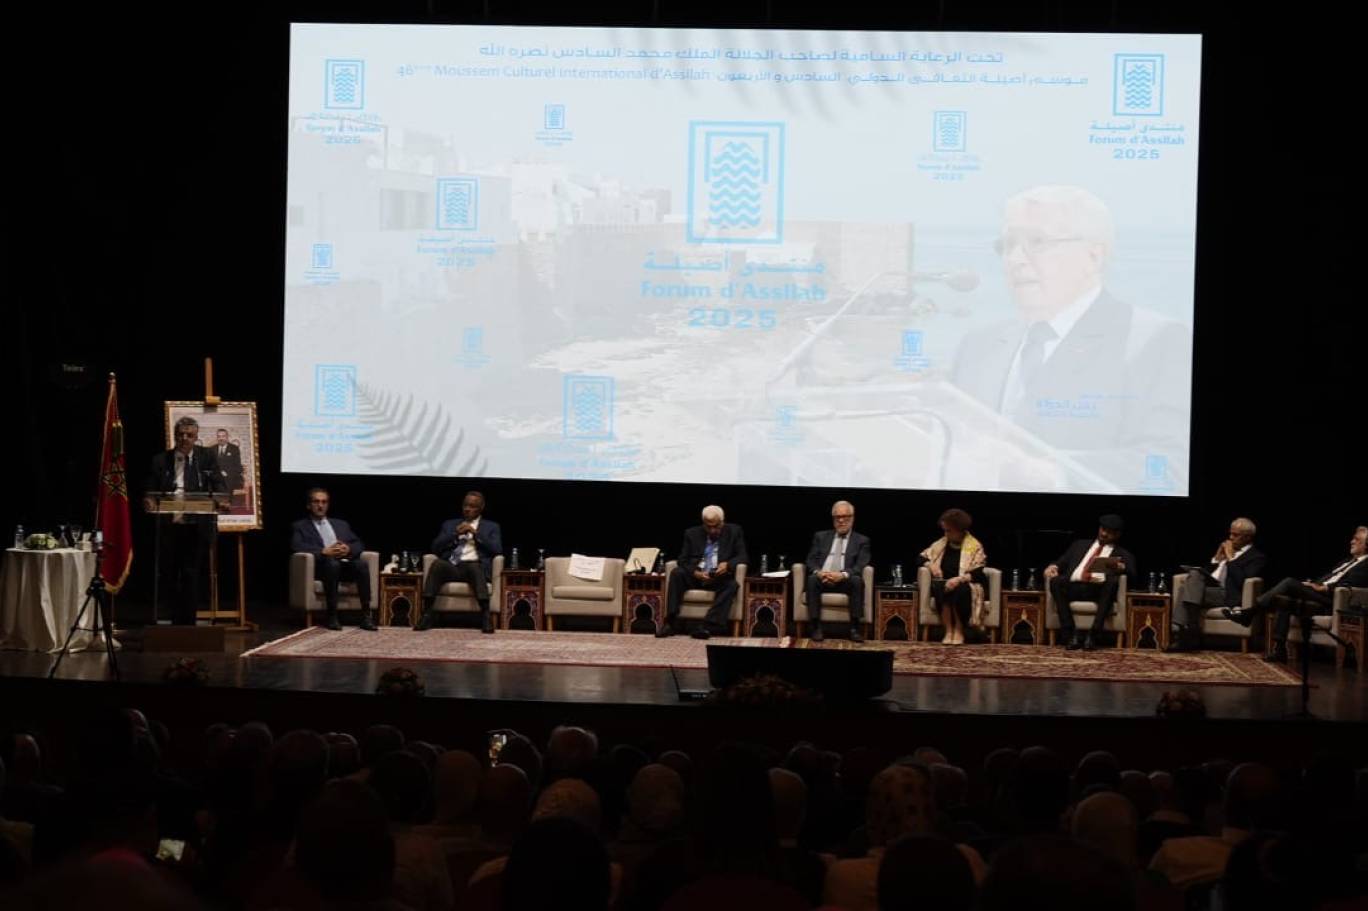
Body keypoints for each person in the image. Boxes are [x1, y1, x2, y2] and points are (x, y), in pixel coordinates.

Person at [951, 185, 1192, 493]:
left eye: (1037, 242)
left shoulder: (1155, 339)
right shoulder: (978, 345)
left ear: (1093, 256)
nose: (1015, 259)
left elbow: (1170, 464)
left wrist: (1048, 472)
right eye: (1007, 245)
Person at [1224, 525, 1368, 663]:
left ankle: (1249, 613)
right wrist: (1313, 583)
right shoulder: (1347, 561)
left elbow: (1352, 583)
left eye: (1357, 539)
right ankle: (1280, 650)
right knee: (1284, 601)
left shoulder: (1365, 565)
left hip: (1331, 600)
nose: (1352, 541)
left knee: (1289, 583)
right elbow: (1330, 577)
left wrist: (1323, 588)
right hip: (1318, 596)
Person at [143, 415, 226, 625]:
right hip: (169, 525)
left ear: (196, 437)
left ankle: (188, 623)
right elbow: (150, 488)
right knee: (170, 573)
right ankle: (173, 621)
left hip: (197, 525)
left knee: (191, 573)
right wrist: (149, 500)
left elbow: (219, 484)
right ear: (175, 436)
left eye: (189, 435)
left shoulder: (206, 457)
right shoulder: (161, 460)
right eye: (180, 435)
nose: (184, 439)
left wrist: (221, 500)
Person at [1166, 518, 1266, 652]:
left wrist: (1230, 558)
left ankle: (1183, 634)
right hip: (1211, 588)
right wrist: (1217, 559)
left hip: (1229, 593)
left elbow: (1242, 580)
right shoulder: (1226, 551)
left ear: (1248, 537)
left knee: (1185, 589)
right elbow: (1209, 573)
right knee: (1195, 574)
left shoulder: (1256, 557)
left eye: (1235, 535)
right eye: (1230, 533)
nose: (1231, 538)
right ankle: (1191, 629)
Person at [1044, 514, 1138, 650]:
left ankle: (1093, 634)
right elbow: (1061, 562)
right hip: (1074, 588)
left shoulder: (1123, 554)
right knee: (1056, 582)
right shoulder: (1079, 545)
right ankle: (1070, 634)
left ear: (1117, 534)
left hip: (1097, 591)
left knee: (1112, 582)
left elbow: (1133, 576)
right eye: (1103, 529)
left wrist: (1122, 568)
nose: (1104, 534)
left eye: (1109, 532)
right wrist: (1053, 567)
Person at [290, 487, 376, 631]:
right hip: (321, 567)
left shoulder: (341, 524)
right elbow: (297, 546)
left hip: (344, 565)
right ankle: (332, 616)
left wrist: (348, 548)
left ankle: (366, 616)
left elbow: (358, 543)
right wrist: (322, 552)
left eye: (324, 502)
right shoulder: (300, 526)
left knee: (361, 565)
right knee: (332, 564)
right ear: (309, 505)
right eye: (316, 502)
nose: (320, 505)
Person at [415, 491, 502, 633]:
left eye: (472, 506)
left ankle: (486, 616)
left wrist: (475, 533)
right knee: (437, 564)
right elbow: (435, 547)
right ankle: (427, 614)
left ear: (481, 508)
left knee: (475, 567)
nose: (467, 509)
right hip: (453, 566)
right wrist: (455, 534)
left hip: (474, 567)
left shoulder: (491, 527)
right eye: (465, 505)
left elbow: (497, 549)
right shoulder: (450, 525)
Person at [657, 505, 748, 640]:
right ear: (703, 523)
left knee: (732, 585)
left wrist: (728, 565)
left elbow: (743, 556)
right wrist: (695, 573)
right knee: (677, 573)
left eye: (716, 526)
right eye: (708, 526)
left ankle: (707, 626)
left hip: (718, 577)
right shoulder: (691, 533)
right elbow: (682, 560)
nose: (712, 530)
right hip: (696, 577)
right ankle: (670, 623)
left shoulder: (734, 531)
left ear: (722, 522)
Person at [802, 500, 871, 642]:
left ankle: (854, 629)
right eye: (837, 517)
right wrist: (818, 572)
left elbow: (860, 564)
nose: (841, 520)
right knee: (812, 579)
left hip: (845, 580)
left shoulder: (862, 540)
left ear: (852, 518)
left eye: (845, 517)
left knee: (857, 581)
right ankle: (816, 627)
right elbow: (810, 560)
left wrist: (843, 575)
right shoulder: (821, 536)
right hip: (823, 578)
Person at [918, 509, 989, 645]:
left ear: (959, 530)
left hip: (966, 583)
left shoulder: (974, 545)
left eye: (949, 531)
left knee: (959, 590)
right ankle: (948, 630)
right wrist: (931, 565)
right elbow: (921, 558)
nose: (946, 534)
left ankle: (958, 630)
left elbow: (978, 572)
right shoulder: (941, 543)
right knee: (940, 587)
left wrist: (958, 580)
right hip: (945, 582)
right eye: (945, 530)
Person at [211, 428, 244, 492]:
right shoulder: (212, 449)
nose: (221, 438)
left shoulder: (234, 449)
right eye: (219, 436)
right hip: (215, 480)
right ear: (217, 438)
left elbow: (238, 466)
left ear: (227, 437)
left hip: (229, 480)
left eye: (223, 436)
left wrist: (226, 473)